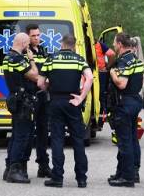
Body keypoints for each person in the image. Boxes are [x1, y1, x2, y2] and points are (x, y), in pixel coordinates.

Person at [37, 34, 93, 188]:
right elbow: (90, 78)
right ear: (74, 45)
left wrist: (49, 86)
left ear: (61, 44)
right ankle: (81, 179)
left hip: (56, 102)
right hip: (73, 102)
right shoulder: (79, 59)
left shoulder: (51, 59)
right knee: (78, 140)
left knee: (57, 139)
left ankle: (57, 178)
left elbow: (40, 82)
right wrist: (81, 97)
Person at [107, 33, 144, 187]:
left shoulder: (123, 61)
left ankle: (127, 178)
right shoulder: (136, 59)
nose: (114, 46)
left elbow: (121, 84)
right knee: (132, 138)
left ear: (121, 44)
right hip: (134, 101)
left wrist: (112, 73)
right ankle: (129, 172)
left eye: (115, 43)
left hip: (124, 103)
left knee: (124, 141)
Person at [3, 33, 39, 183]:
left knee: (16, 134)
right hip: (23, 102)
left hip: (15, 99)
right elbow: (35, 76)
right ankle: (15, 170)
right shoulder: (18, 59)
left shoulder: (7, 57)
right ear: (24, 43)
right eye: (28, 44)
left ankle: (9, 168)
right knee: (23, 136)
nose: (28, 47)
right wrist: (31, 59)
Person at [25, 24, 52, 178]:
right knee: (27, 133)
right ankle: (20, 166)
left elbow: (48, 69)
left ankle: (43, 165)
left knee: (43, 131)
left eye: (38, 35)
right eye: (33, 35)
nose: (36, 38)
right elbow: (32, 75)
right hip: (30, 96)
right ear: (27, 36)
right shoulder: (24, 53)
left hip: (43, 96)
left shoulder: (43, 50)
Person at [94, 39, 116, 116]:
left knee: (99, 93)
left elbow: (112, 54)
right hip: (100, 72)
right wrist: (108, 67)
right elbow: (112, 54)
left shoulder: (98, 45)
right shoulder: (99, 44)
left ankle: (102, 112)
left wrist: (108, 67)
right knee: (101, 93)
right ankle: (102, 111)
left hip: (93, 71)